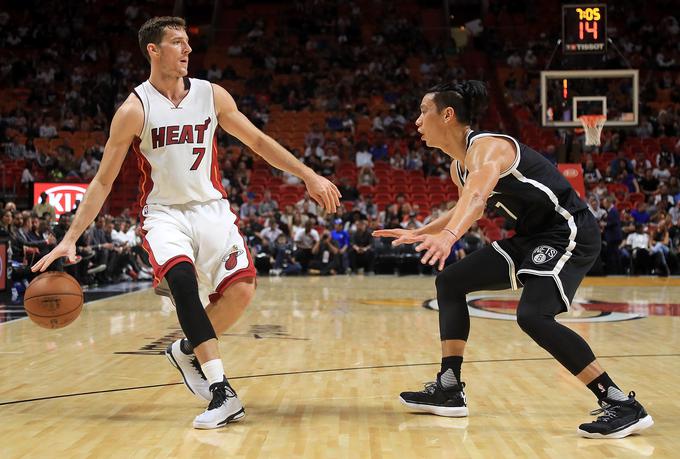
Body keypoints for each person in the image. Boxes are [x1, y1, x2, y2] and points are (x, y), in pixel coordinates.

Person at [32, 16, 341, 430]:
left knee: (243, 290)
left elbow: (258, 141)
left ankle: (186, 351)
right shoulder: (133, 109)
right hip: (164, 214)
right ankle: (222, 391)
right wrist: (70, 237)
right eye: (178, 43)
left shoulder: (212, 96)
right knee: (181, 282)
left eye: (188, 43)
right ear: (153, 51)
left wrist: (308, 174)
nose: (188, 50)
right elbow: (103, 180)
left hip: (211, 208)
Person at [373, 81, 652, 439]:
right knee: (450, 281)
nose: (416, 121)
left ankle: (620, 403)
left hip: (569, 231)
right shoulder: (461, 166)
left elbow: (475, 200)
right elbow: (466, 208)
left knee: (533, 316)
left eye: (423, 112)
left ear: (447, 114)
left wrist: (447, 237)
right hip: (531, 238)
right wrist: (422, 231)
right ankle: (449, 386)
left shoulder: (489, 148)